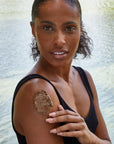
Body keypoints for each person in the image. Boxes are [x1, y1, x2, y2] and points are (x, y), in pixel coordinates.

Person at [12, 0, 112, 144]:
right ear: (33, 29)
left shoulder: (85, 78)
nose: (59, 40)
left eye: (69, 28)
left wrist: (90, 139)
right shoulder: (36, 91)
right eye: (47, 28)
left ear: (80, 27)